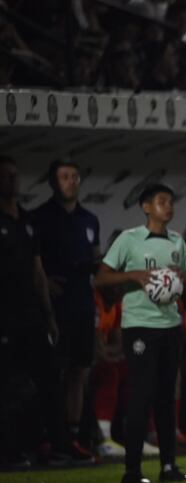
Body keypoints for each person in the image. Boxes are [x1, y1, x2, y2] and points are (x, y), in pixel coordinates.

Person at [94, 183, 186, 483]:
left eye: (170, 201)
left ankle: (168, 465)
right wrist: (133, 275)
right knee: (141, 395)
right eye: (161, 201)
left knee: (166, 396)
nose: (168, 206)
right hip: (139, 325)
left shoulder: (177, 242)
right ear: (146, 206)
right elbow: (101, 277)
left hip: (170, 326)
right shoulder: (129, 240)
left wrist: (181, 280)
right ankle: (132, 470)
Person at [32, 158, 100, 462]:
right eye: (64, 176)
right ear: (52, 182)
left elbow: (96, 258)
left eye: (75, 176)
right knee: (51, 372)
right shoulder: (40, 218)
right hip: (53, 308)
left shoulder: (89, 219)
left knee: (78, 371)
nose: (71, 181)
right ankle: (48, 435)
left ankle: (72, 436)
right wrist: (45, 283)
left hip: (83, 304)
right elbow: (32, 263)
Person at [0, 156, 59, 467]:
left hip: (31, 315)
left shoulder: (26, 220)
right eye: (6, 176)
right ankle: (9, 450)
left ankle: (45, 445)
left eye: (15, 175)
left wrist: (48, 315)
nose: (13, 182)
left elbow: (38, 271)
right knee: (9, 385)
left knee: (44, 381)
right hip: (5, 316)